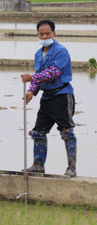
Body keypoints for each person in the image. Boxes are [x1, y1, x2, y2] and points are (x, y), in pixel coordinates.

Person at [22, 19, 76, 177]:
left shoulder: (61, 51)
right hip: (47, 97)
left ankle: (71, 168)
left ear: (54, 33)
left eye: (47, 33)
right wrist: (32, 91)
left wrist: (31, 78)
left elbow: (52, 73)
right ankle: (38, 165)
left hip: (62, 95)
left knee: (67, 132)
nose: (44, 36)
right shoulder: (38, 54)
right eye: (41, 34)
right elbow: (39, 77)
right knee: (38, 132)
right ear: (37, 34)